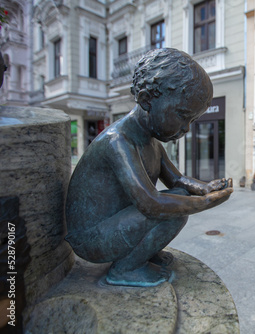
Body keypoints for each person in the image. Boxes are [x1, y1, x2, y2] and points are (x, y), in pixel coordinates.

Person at [65, 48, 233, 287]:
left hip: (115, 224)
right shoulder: (119, 141)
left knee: (179, 198)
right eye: (183, 115)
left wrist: (205, 188)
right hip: (93, 238)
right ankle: (126, 268)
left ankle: (142, 253)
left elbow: (177, 180)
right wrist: (204, 203)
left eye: (192, 120)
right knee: (174, 210)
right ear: (146, 101)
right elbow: (150, 203)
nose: (186, 128)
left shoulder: (151, 142)